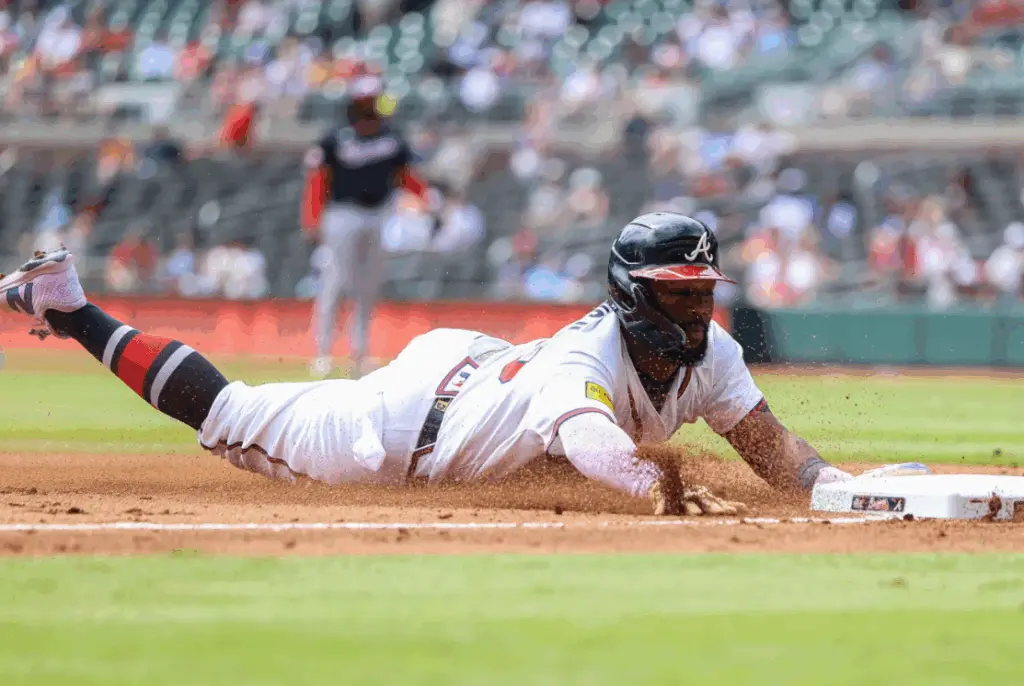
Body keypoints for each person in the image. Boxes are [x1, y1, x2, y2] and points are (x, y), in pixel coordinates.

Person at [0, 213, 852, 516]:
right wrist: (657, 485)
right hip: (400, 430)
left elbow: (770, 446)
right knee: (227, 412)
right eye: (677, 292)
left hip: (478, 366)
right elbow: (595, 444)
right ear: (634, 293)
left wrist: (836, 486)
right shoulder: (586, 354)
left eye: (703, 291)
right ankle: (71, 306)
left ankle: (66, 305)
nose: (698, 308)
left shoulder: (713, 351)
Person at [302, 73, 433, 379]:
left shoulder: (392, 138)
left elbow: (405, 175)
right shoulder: (335, 139)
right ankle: (322, 352)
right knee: (335, 280)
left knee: (367, 285)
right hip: (342, 213)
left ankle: (359, 353)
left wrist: (424, 197)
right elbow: (319, 180)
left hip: (378, 214)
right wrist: (312, 217)